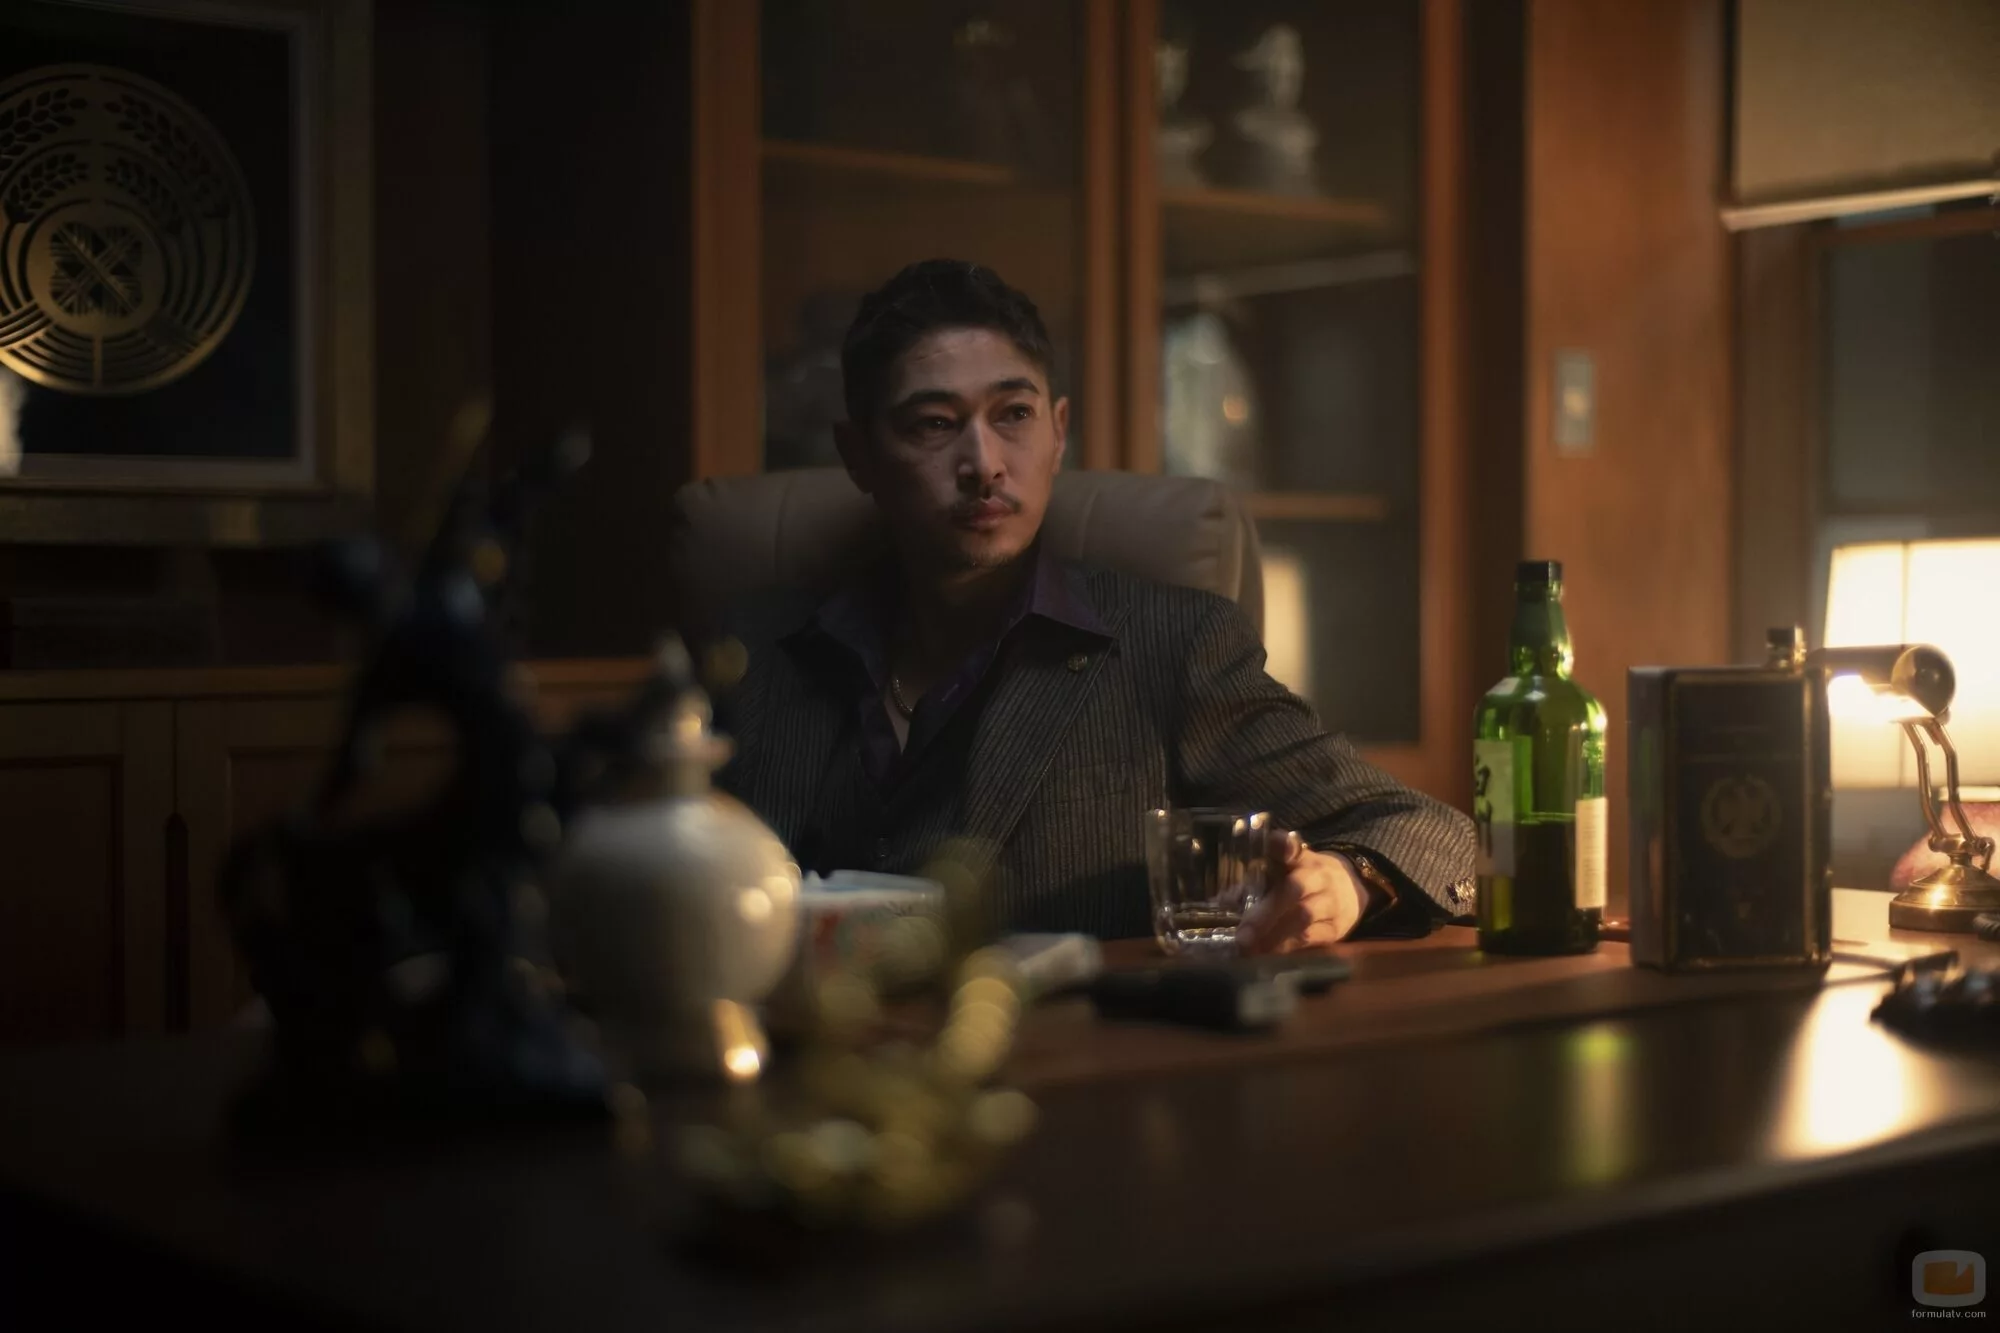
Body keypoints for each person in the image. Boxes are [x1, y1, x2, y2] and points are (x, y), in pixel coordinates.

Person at [714, 259, 1474, 948]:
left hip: (1063, 1043)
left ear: (1058, 433)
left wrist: (1347, 882)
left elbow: (1435, 834)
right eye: (935, 425)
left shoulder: (1171, 646)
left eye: (1013, 414)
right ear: (859, 457)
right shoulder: (751, 656)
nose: (983, 464)